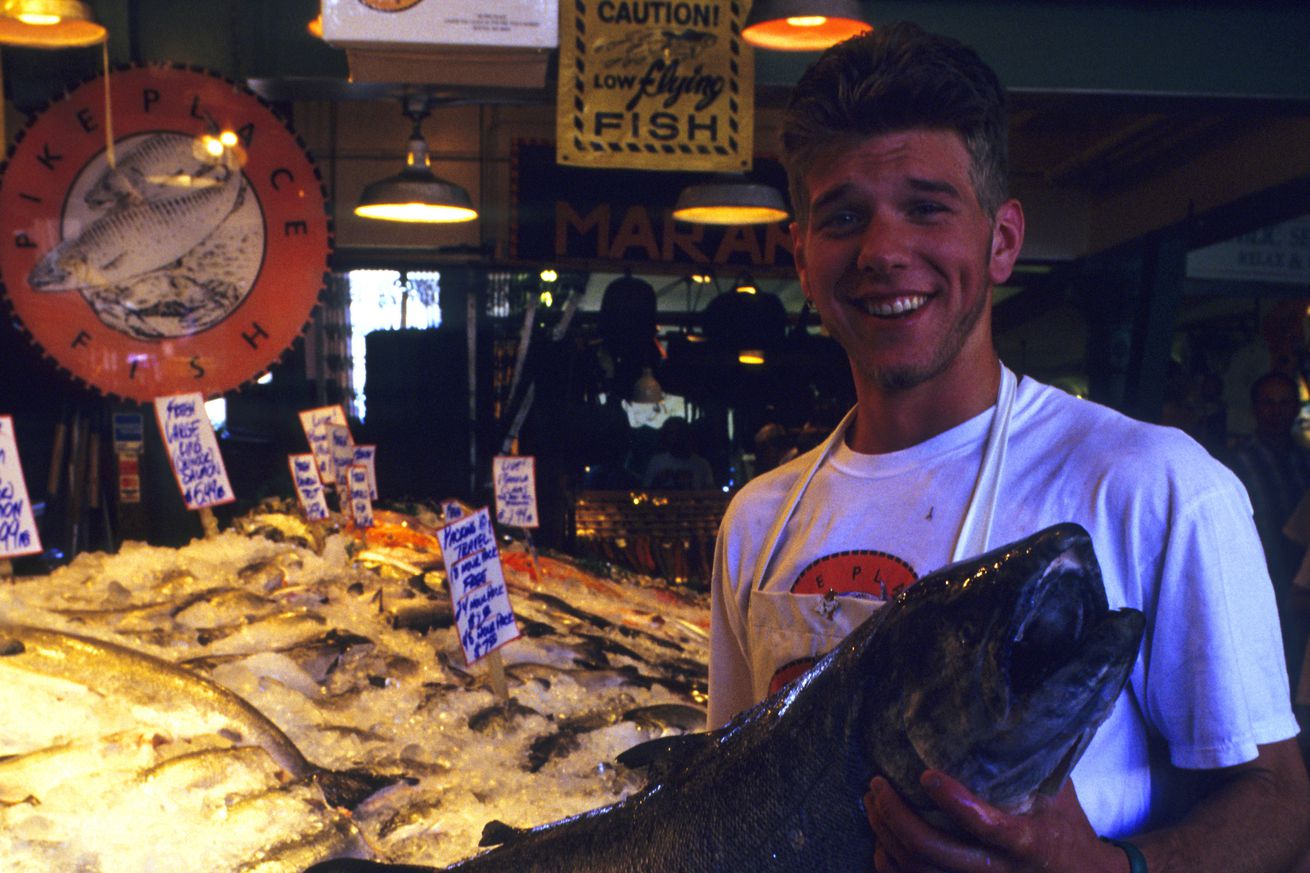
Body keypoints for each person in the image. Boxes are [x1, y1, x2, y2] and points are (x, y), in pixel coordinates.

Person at [708, 21, 1309, 873]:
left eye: (927, 207)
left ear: (1002, 241)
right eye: (843, 216)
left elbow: (1283, 806)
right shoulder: (756, 520)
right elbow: (733, 800)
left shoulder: (1157, 485)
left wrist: (1106, 867)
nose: (883, 250)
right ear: (801, 258)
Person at [1226, 370, 1310, 683]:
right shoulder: (1235, 462)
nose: (1277, 410)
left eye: (1285, 402)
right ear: (1255, 410)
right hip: (1261, 580)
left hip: (1301, 579)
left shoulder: (1305, 460)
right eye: (1268, 403)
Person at [643, 416, 715, 490]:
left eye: (680, 433)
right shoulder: (656, 462)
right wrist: (657, 481)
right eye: (672, 433)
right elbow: (645, 492)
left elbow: (710, 494)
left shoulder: (701, 464)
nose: (676, 438)